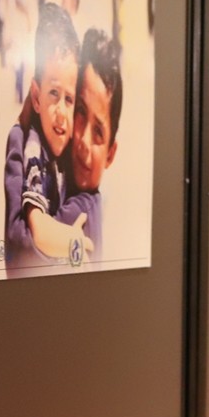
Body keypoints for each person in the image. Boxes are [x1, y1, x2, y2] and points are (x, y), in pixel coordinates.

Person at [4, 2, 91, 265]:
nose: (61, 111)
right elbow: (37, 230)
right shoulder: (29, 145)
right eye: (53, 93)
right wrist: (74, 242)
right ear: (36, 96)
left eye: (69, 98)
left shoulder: (70, 148)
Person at [49, 27, 123, 262]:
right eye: (80, 111)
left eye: (99, 132)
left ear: (111, 154)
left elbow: (21, 241)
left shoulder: (78, 212)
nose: (83, 140)